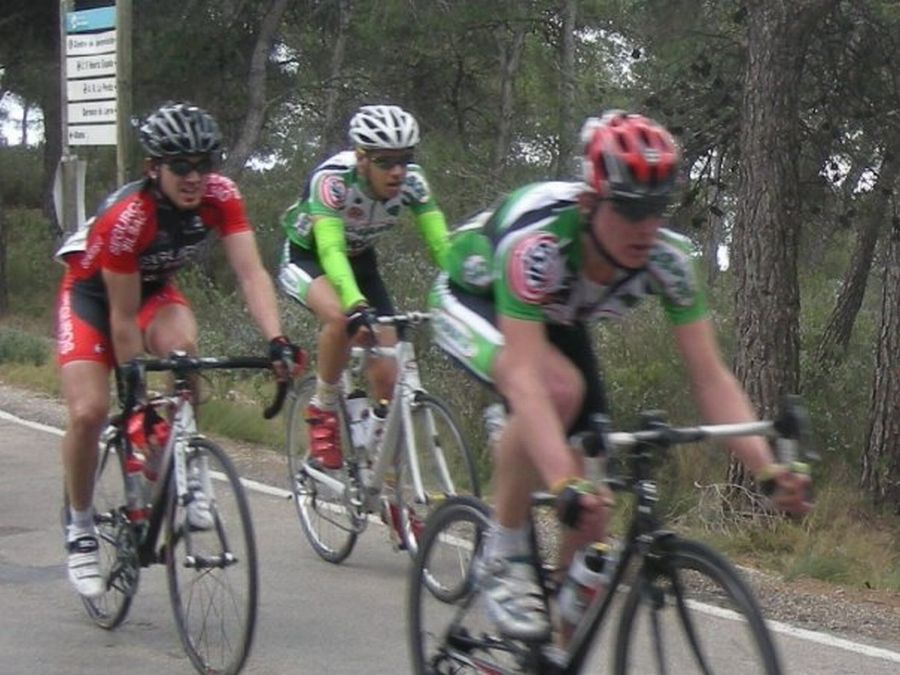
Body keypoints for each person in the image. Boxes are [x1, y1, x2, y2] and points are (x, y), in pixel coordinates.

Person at [428, 110, 812, 641]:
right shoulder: (538, 243)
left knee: (594, 514)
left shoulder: (669, 260)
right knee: (557, 393)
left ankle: (553, 649)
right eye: (631, 209)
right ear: (590, 202)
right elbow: (525, 377)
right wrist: (560, 480)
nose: (646, 227)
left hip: (556, 320)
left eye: (657, 209)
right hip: (474, 298)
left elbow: (711, 378)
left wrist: (766, 470)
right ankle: (505, 550)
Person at [55, 102, 303, 598]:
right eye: (181, 165)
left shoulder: (221, 195)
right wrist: (136, 395)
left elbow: (251, 273)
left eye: (203, 164)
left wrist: (277, 340)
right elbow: (122, 318)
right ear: (154, 168)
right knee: (89, 412)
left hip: (154, 291)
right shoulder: (129, 217)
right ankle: (80, 528)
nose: (194, 177)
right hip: (93, 298)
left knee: (185, 354)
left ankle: (180, 463)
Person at [278, 104, 449, 471]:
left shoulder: (413, 182)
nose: (398, 171)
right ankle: (323, 408)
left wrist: (466, 288)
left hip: (360, 262)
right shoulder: (333, 181)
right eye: (385, 161)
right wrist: (355, 302)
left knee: (389, 378)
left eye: (405, 159)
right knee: (341, 319)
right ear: (361, 159)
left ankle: (381, 474)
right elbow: (330, 249)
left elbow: (441, 245)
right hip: (310, 257)